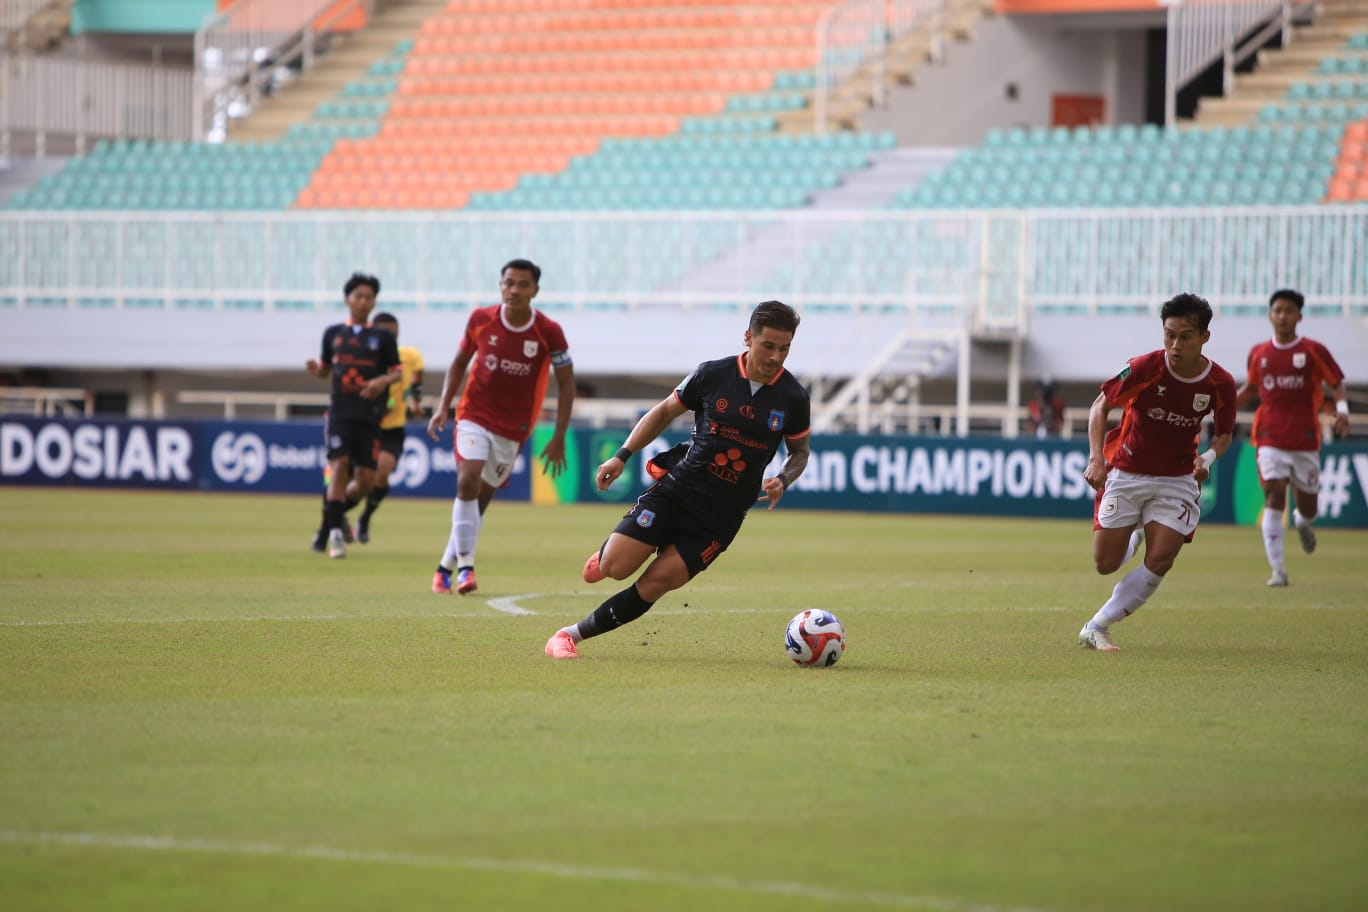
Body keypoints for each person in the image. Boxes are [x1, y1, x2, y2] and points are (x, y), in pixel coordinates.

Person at [545, 300, 812, 660]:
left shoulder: (793, 397)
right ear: (748, 338)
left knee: (654, 584)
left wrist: (784, 478)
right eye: (769, 346)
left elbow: (800, 452)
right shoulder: (713, 374)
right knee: (615, 568)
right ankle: (606, 557)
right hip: (678, 491)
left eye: (785, 349)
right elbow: (664, 411)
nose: (776, 356)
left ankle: (568, 636)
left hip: (720, 519)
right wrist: (621, 455)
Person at [1077, 292, 1237, 652]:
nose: (1175, 345)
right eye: (1169, 335)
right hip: (1128, 471)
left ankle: (1097, 626)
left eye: (1185, 336)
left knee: (1162, 557)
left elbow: (1224, 435)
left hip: (1177, 478)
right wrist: (1096, 458)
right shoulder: (1145, 367)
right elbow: (1101, 405)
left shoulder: (1220, 384)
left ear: (1204, 338)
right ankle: (1135, 534)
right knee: (1105, 564)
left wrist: (1208, 459)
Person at [426, 258, 575, 595]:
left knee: (479, 500)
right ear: (500, 286)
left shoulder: (548, 331)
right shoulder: (481, 319)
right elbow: (459, 363)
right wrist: (442, 406)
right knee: (467, 481)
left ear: (535, 290)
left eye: (523, 284)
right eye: (509, 283)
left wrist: (559, 436)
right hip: (473, 414)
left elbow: (567, 384)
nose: (515, 290)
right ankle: (467, 570)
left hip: (513, 427)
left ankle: (444, 568)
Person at [1235, 289, 1350, 587]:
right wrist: (1223, 405)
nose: (1282, 316)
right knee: (1273, 493)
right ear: (1270, 315)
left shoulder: (1313, 350)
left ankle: (1303, 522)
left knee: (1308, 507)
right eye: (1277, 310)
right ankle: (1279, 571)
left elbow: (1336, 383)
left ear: (1299, 316)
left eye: (1289, 311)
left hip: (1305, 438)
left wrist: (1342, 410)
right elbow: (1250, 389)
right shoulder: (1259, 353)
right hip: (1269, 435)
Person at [305, 273, 402, 559]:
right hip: (340, 413)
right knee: (339, 467)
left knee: (365, 481)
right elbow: (325, 369)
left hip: (371, 417)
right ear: (347, 299)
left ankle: (327, 524)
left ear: (373, 302)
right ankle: (336, 535)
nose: (363, 302)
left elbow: (396, 372)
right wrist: (317, 372)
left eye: (368, 297)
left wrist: (379, 382)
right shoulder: (333, 334)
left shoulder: (382, 337)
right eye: (358, 296)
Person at [354, 311, 425, 544]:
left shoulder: (409, 356)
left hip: (392, 429)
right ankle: (334, 518)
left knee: (381, 474)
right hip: (363, 426)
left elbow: (417, 377)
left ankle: (364, 519)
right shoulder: (361, 358)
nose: (389, 339)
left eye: (393, 335)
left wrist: (415, 401)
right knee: (355, 481)